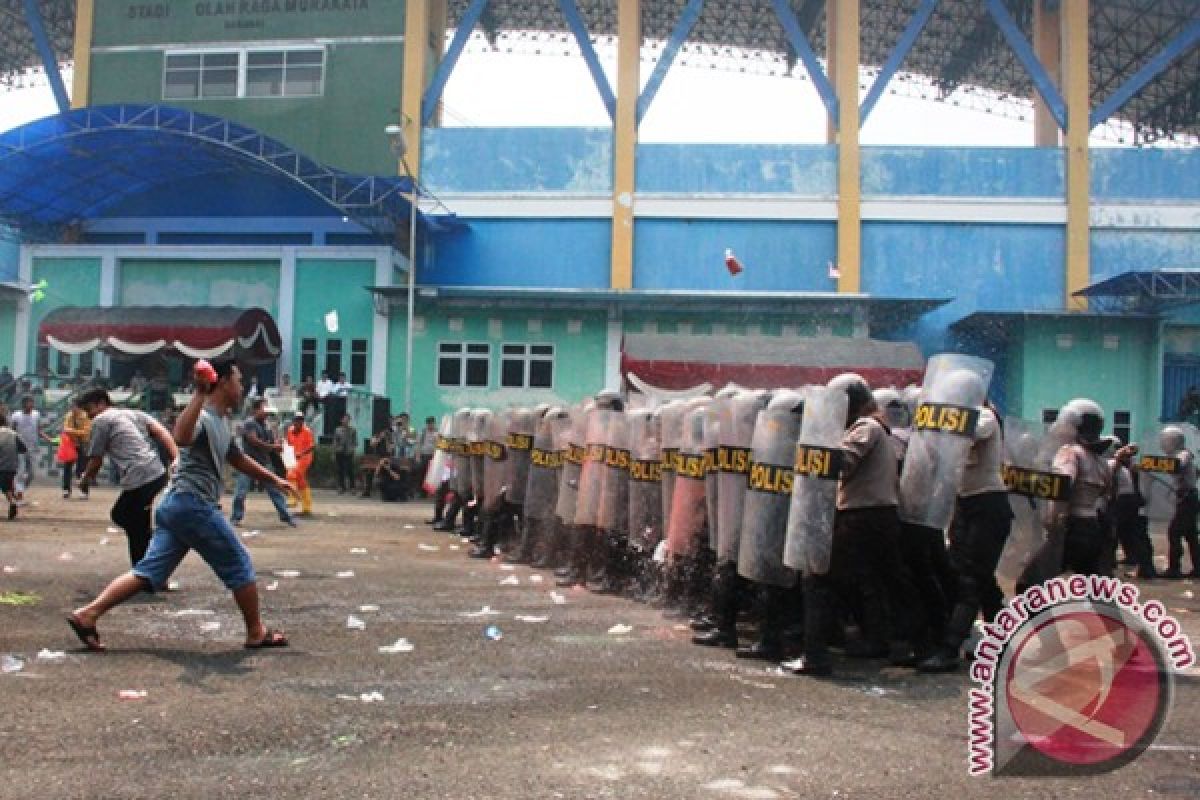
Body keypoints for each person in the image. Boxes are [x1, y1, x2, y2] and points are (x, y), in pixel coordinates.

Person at [67, 360, 293, 652]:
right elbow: (181, 436)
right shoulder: (204, 417)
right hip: (194, 505)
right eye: (238, 381)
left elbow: (236, 458)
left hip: (174, 506)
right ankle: (256, 632)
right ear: (222, 382)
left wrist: (274, 479)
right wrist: (199, 393)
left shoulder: (222, 421)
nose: (242, 388)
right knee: (240, 566)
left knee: (148, 572)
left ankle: (88, 614)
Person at [77, 389, 178, 568]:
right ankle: (145, 568)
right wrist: (175, 457)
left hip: (140, 476)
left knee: (123, 515)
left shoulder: (102, 420)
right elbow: (162, 432)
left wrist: (85, 480)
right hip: (155, 472)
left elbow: (96, 460)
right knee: (135, 523)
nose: (89, 415)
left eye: (89, 409)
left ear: (102, 404)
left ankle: (152, 563)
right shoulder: (133, 414)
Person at [231, 399, 297, 528]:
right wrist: (273, 446)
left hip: (263, 461)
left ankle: (286, 516)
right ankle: (235, 517)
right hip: (248, 462)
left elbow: (271, 442)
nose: (266, 412)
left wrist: (277, 444)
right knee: (241, 492)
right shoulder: (250, 423)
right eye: (263, 408)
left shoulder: (266, 425)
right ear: (256, 410)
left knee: (275, 490)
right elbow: (253, 440)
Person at [1160, 425, 1200, 579]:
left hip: (1187, 499)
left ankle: (1174, 569)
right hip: (1188, 498)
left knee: (1174, 531)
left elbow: (1177, 465)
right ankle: (1198, 568)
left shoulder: (1183, 454)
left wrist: (1148, 464)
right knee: (1191, 535)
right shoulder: (1182, 454)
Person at [11, 395, 47, 492]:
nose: (32, 405)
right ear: (23, 404)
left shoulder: (36, 414)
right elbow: (12, 431)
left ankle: (20, 490)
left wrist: (47, 438)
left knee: (31, 474)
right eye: (29, 403)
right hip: (19, 448)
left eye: (32, 402)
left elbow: (39, 430)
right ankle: (19, 493)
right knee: (21, 471)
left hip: (33, 448)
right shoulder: (16, 415)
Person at [59, 397, 92, 499]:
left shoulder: (85, 416)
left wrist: (72, 431)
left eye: (73, 406)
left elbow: (86, 432)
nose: (72, 408)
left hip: (83, 443)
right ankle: (66, 490)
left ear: (79, 407)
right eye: (71, 406)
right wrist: (71, 432)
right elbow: (65, 429)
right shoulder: (69, 416)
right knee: (67, 467)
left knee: (82, 468)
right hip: (71, 444)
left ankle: (84, 491)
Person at [285, 411, 315, 516]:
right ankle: (307, 507)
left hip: (305, 457)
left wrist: (301, 453)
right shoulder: (290, 431)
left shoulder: (307, 431)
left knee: (292, 474)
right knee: (301, 480)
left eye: (301, 420)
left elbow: (311, 446)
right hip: (294, 457)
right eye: (297, 420)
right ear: (293, 421)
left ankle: (292, 499)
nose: (299, 422)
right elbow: (288, 444)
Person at [0, 412, 28, 519]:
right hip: (12, 466)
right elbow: (23, 449)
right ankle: (13, 501)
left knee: (6, 487)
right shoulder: (13, 433)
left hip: (1, 466)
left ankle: (12, 502)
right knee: (7, 485)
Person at [332, 413, 357, 494]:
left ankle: (352, 487)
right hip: (339, 451)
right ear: (341, 420)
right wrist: (334, 451)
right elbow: (335, 441)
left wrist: (353, 449)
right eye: (344, 419)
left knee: (350, 469)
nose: (346, 421)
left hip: (349, 452)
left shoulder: (352, 430)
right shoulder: (338, 430)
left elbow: (354, 441)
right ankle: (341, 487)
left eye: (347, 419)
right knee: (340, 470)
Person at [416, 416, 438, 498]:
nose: (430, 425)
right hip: (424, 455)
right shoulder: (423, 432)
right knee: (422, 473)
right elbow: (419, 444)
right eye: (428, 424)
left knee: (432, 474)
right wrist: (418, 456)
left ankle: (431, 492)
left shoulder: (437, 432)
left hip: (433, 456)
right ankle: (422, 492)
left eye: (431, 423)